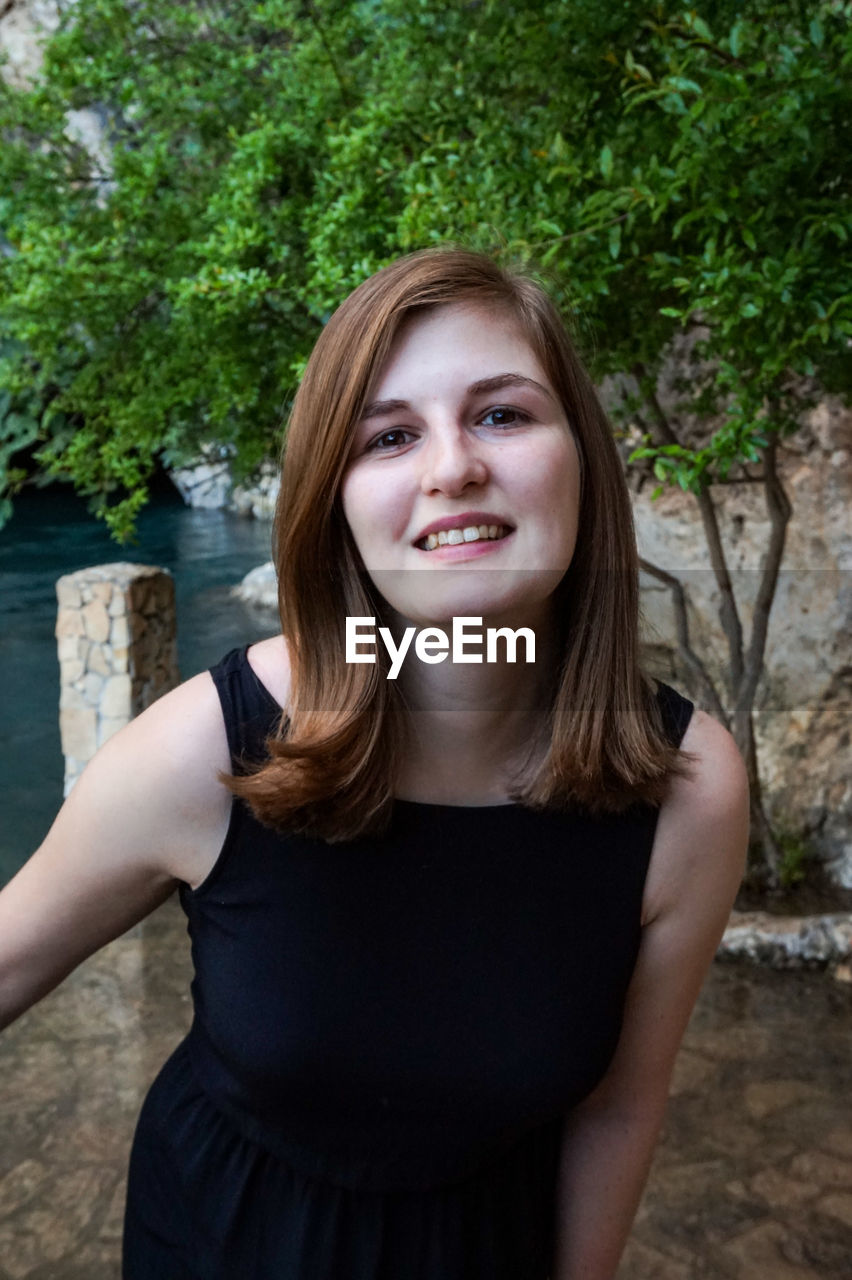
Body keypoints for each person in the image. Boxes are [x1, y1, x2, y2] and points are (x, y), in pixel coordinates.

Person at [0, 247, 749, 1279]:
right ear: (335, 503)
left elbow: (621, 1103)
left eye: (501, 414)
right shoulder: (211, 745)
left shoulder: (688, 790)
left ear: (581, 454)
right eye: (389, 436)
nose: (452, 467)